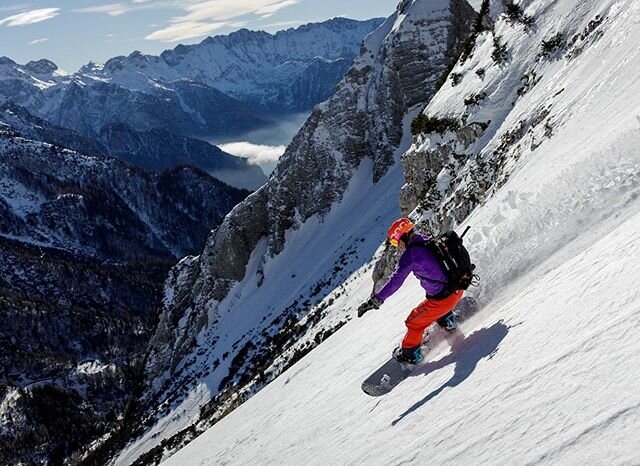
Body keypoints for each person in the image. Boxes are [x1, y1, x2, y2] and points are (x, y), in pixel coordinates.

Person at [357, 218, 462, 364]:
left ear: (403, 236)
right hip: (457, 289)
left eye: (395, 242)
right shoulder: (427, 241)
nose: (397, 246)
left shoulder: (410, 256)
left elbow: (395, 282)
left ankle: (410, 355)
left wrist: (376, 299)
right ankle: (448, 320)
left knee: (413, 322)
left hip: (443, 301)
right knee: (431, 303)